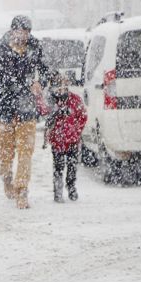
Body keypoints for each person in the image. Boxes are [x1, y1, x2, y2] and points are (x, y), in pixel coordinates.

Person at [0, 15, 51, 209]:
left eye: (27, 32)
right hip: (4, 108)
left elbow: (45, 71)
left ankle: (22, 190)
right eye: (21, 32)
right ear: (12, 31)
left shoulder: (35, 47)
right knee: (5, 155)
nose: (25, 36)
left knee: (26, 152)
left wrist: (40, 82)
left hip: (26, 108)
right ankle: (7, 177)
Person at [43, 73, 87, 203]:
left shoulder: (75, 100)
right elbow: (46, 118)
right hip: (57, 141)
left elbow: (83, 116)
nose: (60, 90)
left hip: (73, 140)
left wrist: (77, 131)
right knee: (58, 166)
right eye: (57, 87)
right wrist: (56, 112)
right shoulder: (52, 102)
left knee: (72, 166)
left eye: (63, 86)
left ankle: (71, 186)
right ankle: (58, 190)